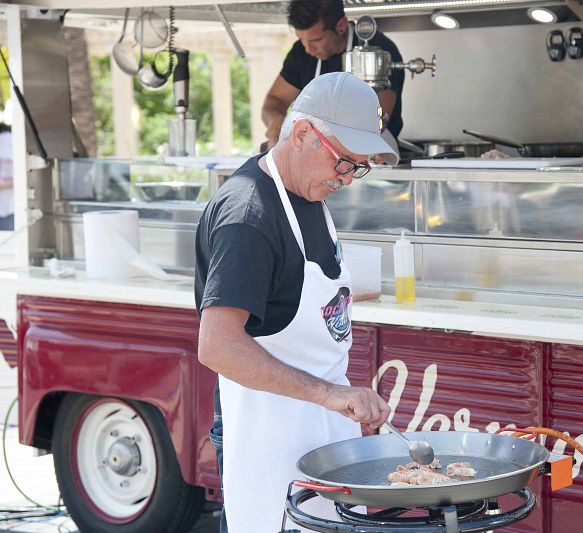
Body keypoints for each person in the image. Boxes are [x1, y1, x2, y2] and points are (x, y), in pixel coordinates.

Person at [195, 72, 395, 532]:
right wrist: (329, 394)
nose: (348, 178)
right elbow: (218, 346)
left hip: (321, 429)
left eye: (358, 167)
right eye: (344, 161)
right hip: (268, 434)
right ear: (303, 133)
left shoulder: (307, 193)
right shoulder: (249, 216)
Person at [261, 0, 404, 152]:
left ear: (341, 26)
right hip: (314, 151)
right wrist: (276, 122)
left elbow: (375, 121)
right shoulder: (300, 52)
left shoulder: (377, 50)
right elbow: (275, 101)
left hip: (370, 153)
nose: (308, 49)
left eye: (316, 40)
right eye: (301, 39)